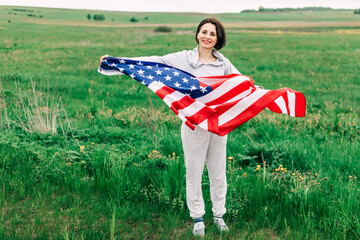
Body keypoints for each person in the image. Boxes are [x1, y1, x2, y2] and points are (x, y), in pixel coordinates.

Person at [100, 17, 240, 237]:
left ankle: (219, 215)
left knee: (218, 173)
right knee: (194, 172)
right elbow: (153, 62)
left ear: (218, 38)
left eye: (212, 34)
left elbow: (241, 84)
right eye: (204, 32)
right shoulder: (184, 59)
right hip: (194, 125)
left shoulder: (223, 63)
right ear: (197, 34)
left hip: (217, 126)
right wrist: (118, 62)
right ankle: (197, 218)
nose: (207, 37)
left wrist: (263, 94)